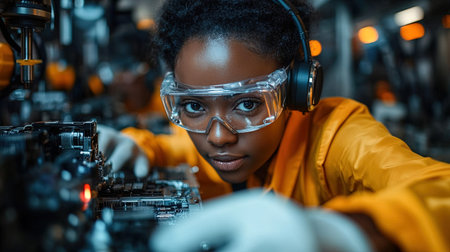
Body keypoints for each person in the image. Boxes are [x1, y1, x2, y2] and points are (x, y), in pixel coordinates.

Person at [98, 0, 450, 251]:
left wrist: (347, 233)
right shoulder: (209, 138)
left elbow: (441, 191)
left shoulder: (338, 137)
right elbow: (174, 145)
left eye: (248, 104)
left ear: (296, 90)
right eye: (193, 105)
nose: (218, 137)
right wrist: (136, 144)